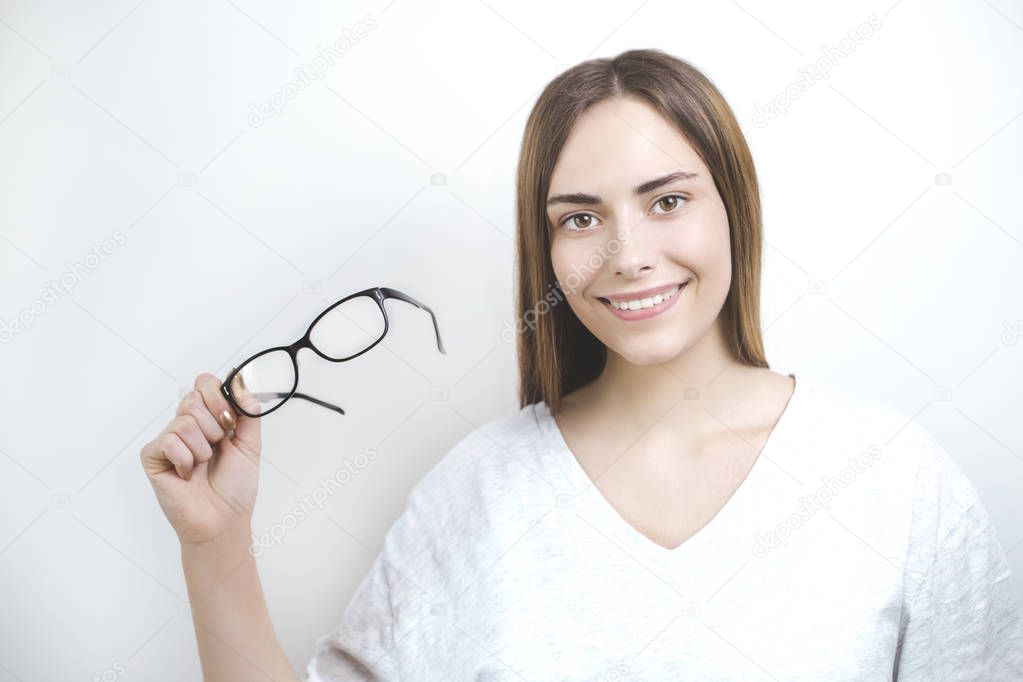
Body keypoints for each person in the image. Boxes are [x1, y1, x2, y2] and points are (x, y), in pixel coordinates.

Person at [140, 48, 1023, 681]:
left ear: (733, 208)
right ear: (547, 246)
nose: (627, 253)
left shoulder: (893, 481)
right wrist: (215, 545)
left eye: (666, 199)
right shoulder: (478, 494)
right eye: (579, 218)